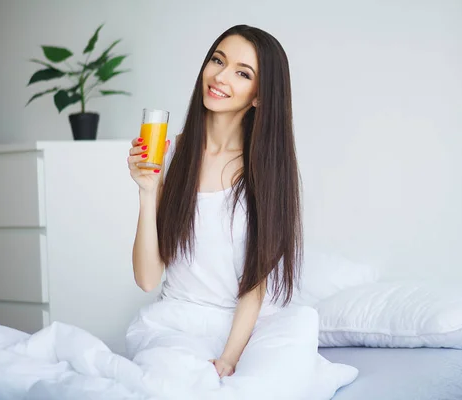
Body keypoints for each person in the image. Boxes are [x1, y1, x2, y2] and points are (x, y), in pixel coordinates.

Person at [125, 24, 321, 398]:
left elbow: (255, 286)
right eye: (218, 60)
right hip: (178, 323)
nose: (220, 76)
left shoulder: (265, 170)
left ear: (260, 96)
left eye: (242, 72)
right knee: (174, 379)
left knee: (298, 333)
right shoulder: (172, 152)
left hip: (246, 327)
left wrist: (229, 359)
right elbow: (148, 280)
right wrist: (148, 192)